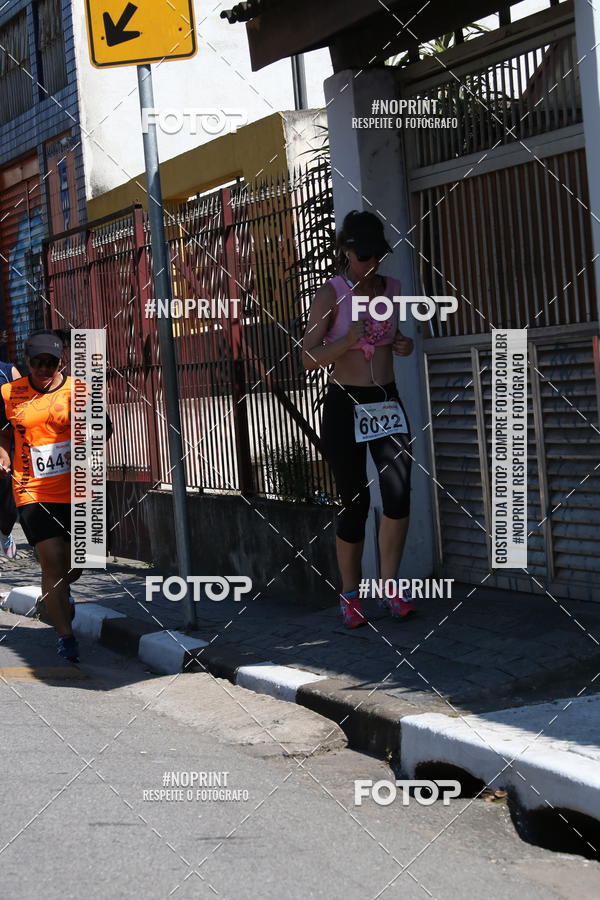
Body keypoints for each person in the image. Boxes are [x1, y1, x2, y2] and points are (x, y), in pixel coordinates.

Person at [302, 210, 415, 628]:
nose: (370, 264)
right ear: (346, 251)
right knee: (356, 500)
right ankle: (350, 596)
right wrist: (346, 341)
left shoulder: (392, 289)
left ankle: (392, 589)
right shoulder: (331, 293)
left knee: (399, 494)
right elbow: (306, 356)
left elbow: (392, 341)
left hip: (386, 401)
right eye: (362, 254)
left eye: (376, 255)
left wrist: (402, 345)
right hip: (345, 403)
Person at [0, 330, 112, 662]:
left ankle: (58, 596)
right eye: (38, 363)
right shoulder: (9, 393)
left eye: (51, 363)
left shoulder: (79, 391)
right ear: (28, 362)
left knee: (77, 565)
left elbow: (102, 430)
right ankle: (66, 636)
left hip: (79, 489)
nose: (45, 369)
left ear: (61, 362)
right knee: (51, 559)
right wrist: (3, 454)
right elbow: (3, 432)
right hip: (32, 490)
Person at [0, 358, 21, 558]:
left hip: (5, 442)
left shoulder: (8, 372)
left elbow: (25, 408)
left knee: (7, 505)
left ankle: (5, 532)